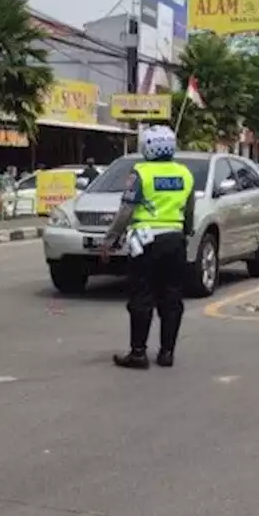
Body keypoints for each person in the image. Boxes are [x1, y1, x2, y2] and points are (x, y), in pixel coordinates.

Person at [99, 125, 195, 369]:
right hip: (174, 240)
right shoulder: (185, 174)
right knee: (172, 297)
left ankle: (139, 353)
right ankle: (167, 353)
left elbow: (126, 211)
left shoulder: (140, 173)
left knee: (142, 296)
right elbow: (190, 210)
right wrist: (184, 234)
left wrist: (110, 240)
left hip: (145, 240)